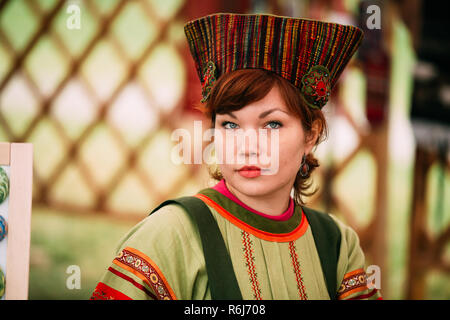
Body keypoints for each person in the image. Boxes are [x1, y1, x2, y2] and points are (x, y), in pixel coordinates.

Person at [90, 13, 382, 300]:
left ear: (311, 135)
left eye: (272, 124)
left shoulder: (337, 245)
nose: (247, 146)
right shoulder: (171, 235)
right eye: (230, 124)